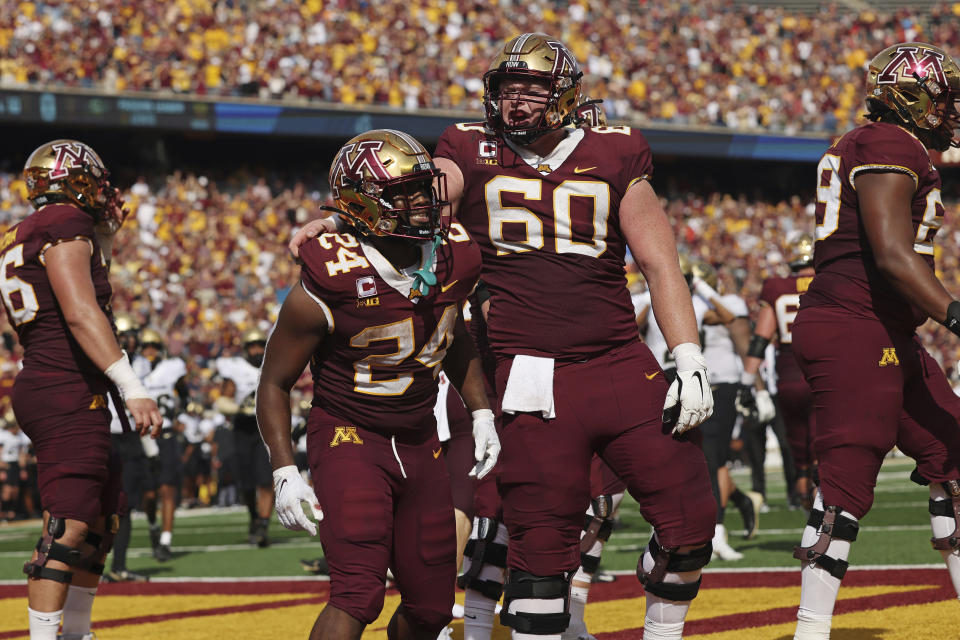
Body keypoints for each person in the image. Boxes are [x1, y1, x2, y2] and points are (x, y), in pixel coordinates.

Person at [293, 35, 716, 640]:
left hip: (620, 358)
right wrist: (343, 217)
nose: (515, 100)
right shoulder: (468, 145)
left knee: (690, 519)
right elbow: (421, 191)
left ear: (564, 94)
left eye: (533, 88)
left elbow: (661, 263)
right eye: (507, 87)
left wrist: (689, 356)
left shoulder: (617, 149)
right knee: (541, 546)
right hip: (526, 372)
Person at [259, 129, 499, 640]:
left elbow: (452, 334)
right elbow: (276, 383)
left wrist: (479, 410)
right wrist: (284, 469)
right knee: (357, 593)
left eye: (422, 188)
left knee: (433, 610)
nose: (421, 203)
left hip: (419, 441)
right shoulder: (331, 275)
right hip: (351, 436)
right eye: (403, 192)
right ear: (361, 203)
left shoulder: (456, 254)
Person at [790, 43, 960, 639]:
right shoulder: (889, 143)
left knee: (954, 451)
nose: (951, 107)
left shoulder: (895, 144)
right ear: (910, 98)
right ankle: (811, 631)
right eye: (943, 96)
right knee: (845, 484)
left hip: (884, 326)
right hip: (852, 322)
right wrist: (956, 315)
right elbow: (890, 254)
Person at [0, 139, 162, 640]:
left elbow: (87, 293)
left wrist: (107, 237)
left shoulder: (30, 229)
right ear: (72, 180)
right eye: (93, 179)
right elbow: (80, 310)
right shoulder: (63, 222)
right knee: (67, 527)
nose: (102, 190)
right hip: (63, 385)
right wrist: (132, 386)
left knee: (101, 521)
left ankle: (76, 633)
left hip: (58, 382)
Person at [692, 262, 765, 557]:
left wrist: (757, 388)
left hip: (722, 384)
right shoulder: (688, 303)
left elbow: (741, 338)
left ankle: (717, 531)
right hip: (693, 384)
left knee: (714, 459)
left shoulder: (728, 302)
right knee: (700, 461)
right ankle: (741, 500)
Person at [740, 234, 815, 510]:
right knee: (824, 453)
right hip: (822, 376)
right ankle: (825, 522)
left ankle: (810, 519)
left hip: (789, 379)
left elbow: (760, 339)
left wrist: (746, 381)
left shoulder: (776, 287)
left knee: (801, 459)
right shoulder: (829, 281)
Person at [103, 315, 159, 582]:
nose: (128, 341)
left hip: (132, 436)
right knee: (107, 505)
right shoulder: (100, 354)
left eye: (130, 336)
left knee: (128, 502)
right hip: (108, 434)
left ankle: (120, 563)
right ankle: (103, 564)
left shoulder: (143, 364)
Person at [217, 329, 273, 547]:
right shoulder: (237, 369)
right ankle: (253, 517)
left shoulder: (273, 364)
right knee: (247, 482)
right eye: (253, 346)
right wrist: (239, 409)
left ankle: (264, 525)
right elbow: (223, 400)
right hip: (242, 428)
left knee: (265, 479)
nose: (257, 350)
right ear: (246, 349)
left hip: (264, 429)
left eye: (260, 345)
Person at [137, 328, 188, 562]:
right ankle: (153, 526)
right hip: (142, 436)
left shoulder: (172, 368)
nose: (150, 352)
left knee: (168, 488)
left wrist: (180, 417)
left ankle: (166, 540)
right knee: (148, 493)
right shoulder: (134, 370)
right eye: (146, 347)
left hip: (165, 433)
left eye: (154, 347)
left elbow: (185, 394)